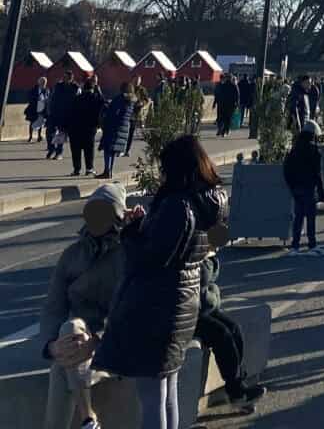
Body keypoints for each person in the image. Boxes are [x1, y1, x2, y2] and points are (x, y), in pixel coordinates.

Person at [94, 135, 225, 429]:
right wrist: (144, 225)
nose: (162, 174)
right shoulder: (204, 201)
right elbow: (171, 249)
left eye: (165, 168)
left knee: (152, 397)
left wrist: (129, 231)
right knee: (167, 392)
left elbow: (150, 259)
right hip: (181, 304)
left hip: (157, 308)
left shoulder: (178, 206)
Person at [39, 182, 129, 429]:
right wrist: (50, 346)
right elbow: (52, 307)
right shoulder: (72, 255)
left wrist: (98, 340)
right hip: (77, 342)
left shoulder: (129, 254)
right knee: (68, 340)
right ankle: (88, 422)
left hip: (116, 344)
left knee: (64, 362)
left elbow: (130, 312)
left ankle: (89, 419)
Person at [195, 221, 267, 411]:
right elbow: (202, 285)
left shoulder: (206, 253)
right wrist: (208, 259)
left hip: (204, 306)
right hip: (190, 312)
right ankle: (236, 391)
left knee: (234, 329)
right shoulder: (197, 253)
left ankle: (239, 386)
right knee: (222, 335)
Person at [283, 120, 324, 257]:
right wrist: (321, 192)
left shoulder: (294, 150)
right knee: (310, 218)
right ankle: (312, 244)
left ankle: (295, 245)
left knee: (298, 217)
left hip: (296, 188)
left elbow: (287, 169)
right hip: (309, 188)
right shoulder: (314, 151)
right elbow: (317, 173)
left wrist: (291, 186)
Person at [68, 78, 107, 179]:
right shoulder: (95, 98)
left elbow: (69, 111)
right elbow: (105, 103)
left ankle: (77, 169)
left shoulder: (76, 98)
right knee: (88, 148)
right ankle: (89, 168)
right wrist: (99, 91)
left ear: (83, 88)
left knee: (76, 149)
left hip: (75, 127)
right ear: (93, 88)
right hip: (90, 127)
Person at [100, 84, 135, 179]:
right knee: (113, 150)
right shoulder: (131, 100)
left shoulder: (119, 99)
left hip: (113, 126)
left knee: (108, 148)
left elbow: (113, 112)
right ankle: (110, 171)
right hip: (123, 127)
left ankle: (107, 171)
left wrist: (106, 108)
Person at [47, 73, 79, 162]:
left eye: (66, 77)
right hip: (55, 112)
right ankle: (51, 148)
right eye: (64, 77)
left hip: (67, 114)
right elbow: (52, 98)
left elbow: (77, 101)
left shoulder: (75, 87)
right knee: (50, 132)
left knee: (61, 133)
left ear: (71, 79)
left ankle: (59, 152)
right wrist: (49, 109)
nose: (64, 79)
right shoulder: (58, 86)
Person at [25, 74, 50, 144]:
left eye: (44, 82)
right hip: (34, 108)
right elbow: (30, 98)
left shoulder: (47, 90)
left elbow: (48, 98)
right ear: (39, 82)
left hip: (42, 107)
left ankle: (39, 136)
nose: (43, 83)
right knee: (32, 122)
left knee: (40, 122)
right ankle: (30, 137)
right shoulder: (34, 89)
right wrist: (36, 99)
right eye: (42, 82)